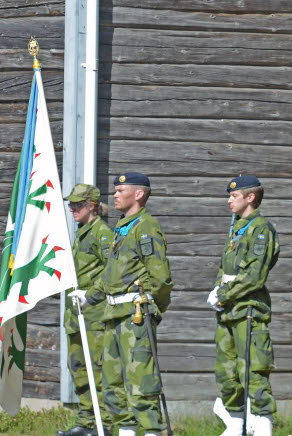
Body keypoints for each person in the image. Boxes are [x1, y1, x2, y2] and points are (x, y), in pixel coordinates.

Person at [90, 172, 173, 436]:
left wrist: (152, 308)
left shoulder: (145, 226)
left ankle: (150, 431)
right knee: (112, 383)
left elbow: (160, 277)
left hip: (135, 315)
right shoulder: (122, 227)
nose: (114, 194)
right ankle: (125, 431)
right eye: (115, 190)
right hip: (114, 313)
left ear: (139, 194)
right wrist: (88, 296)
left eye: (121, 190)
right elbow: (112, 275)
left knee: (141, 381)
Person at [208, 175, 280, 436]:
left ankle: (262, 426)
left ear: (250, 198)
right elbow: (225, 268)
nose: (229, 200)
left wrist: (223, 294)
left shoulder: (260, 229)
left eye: (234, 196)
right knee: (227, 371)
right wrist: (218, 289)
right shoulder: (237, 228)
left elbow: (254, 276)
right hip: (228, 311)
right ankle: (236, 422)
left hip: (248, 310)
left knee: (253, 371)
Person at [59, 184, 115, 436]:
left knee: (98, 370)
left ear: (92, 206)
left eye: (77, 205)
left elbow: (111, 271)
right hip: (76, 315)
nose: (72, 209)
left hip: (94, 315)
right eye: (70, 205)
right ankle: (85, 421)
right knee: (78, 368)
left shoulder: (102, 233)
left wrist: (91, 294)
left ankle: (103, 424)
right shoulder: (82, 231)